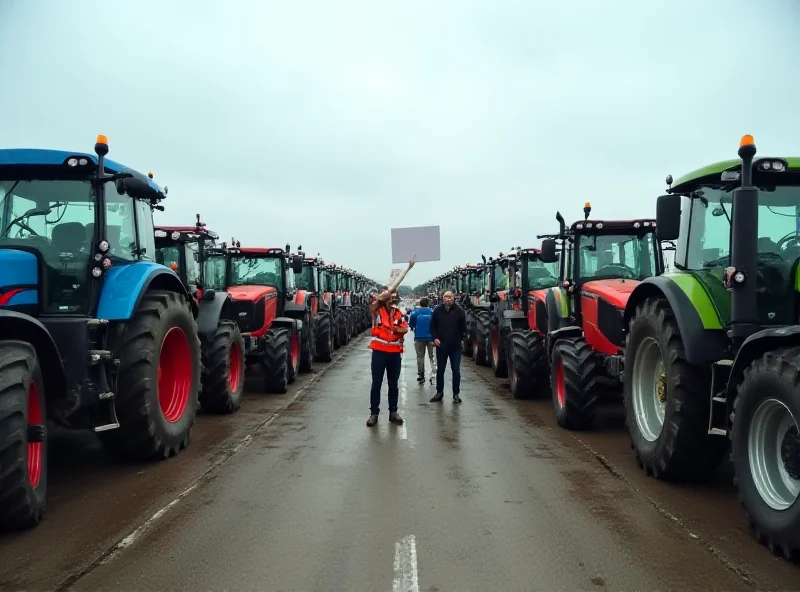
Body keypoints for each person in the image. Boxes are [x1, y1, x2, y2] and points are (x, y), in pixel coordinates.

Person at [366, 260, 415, 427]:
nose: (391, 298)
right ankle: (374, 413)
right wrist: (406, 269)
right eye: (388, 296)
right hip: (379, 352)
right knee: (376, 384)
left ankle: (393, 412)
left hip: (394, 353)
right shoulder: (376, 310)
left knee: (394, 384)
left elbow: (405, 329)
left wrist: (394, 329)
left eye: (393, 297)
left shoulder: (397, 313)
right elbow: (388, 292)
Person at [429, 290, 467, 404]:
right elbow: (432, 326)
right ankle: (439, 392)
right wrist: (434, 338)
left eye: (450, 297)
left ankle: (456, 394)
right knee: (440, 370)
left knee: (456, 370)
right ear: (443, 298)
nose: (448, 299)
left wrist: (462, 339)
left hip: (455, 346)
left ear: (454, 298)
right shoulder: (437, 310)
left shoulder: (459, 311)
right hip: (441, 345)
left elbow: (463, 327)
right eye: (446, 297)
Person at [408, 297, 435, 384]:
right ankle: (433, 375)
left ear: (420, 303)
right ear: (428, 304)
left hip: (419, 337)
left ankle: (421, 375)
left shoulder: (415, 312)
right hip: (430, 337)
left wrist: (413, 328)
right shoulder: (432, 312)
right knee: (432, 356)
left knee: (420, 357)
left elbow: (411, 324)